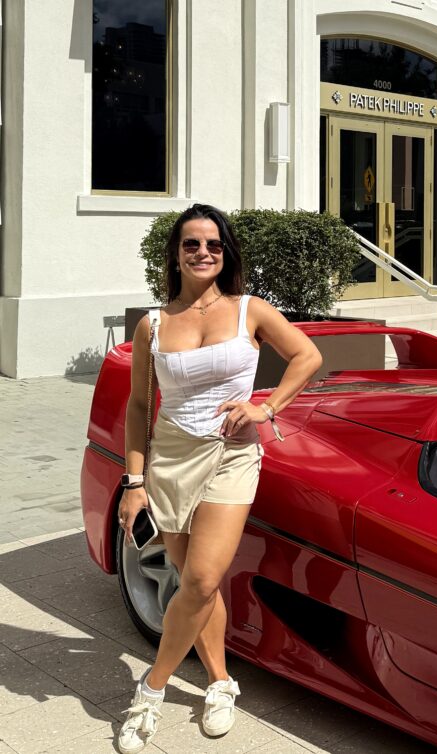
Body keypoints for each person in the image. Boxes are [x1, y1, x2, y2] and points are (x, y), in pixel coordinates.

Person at [116, 203, 322, 753]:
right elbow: (139, 406)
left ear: (225, 251)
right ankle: (221, 682)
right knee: (193, 585)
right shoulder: (153, 324)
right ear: (176, 255)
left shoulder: (249, 310)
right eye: (191, 244)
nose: (203, 252)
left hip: (232, 455)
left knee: (203, 579)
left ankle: (150, 689)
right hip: (170, 462)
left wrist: (267, 407)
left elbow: (306, 355)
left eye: (213, 243)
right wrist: (134, 481)